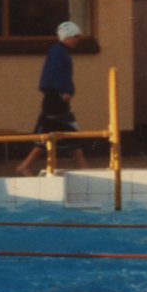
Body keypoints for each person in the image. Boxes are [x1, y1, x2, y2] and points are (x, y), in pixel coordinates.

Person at [17, 21, 88, 176]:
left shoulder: (60, 52)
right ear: (68, 37)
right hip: (56, 98)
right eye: (76, 37)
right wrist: (64, 91)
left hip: (56, 97)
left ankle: (82, 166)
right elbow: (56, 75)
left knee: (65, 131)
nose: (78, 40)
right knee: (65, 131)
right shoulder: (59, 53)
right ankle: (25, 165)